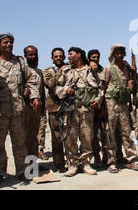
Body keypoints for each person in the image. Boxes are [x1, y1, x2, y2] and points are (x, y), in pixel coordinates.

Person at [0, 33, 40, 186]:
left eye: (11, 42)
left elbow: (32, 78)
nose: (9, 45)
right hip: (0, 112)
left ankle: (22, 171)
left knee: (20, 143)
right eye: (5, 43)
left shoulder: (19, 61)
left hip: (18, 110)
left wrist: (34, 96)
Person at [55, 47, 102, 177]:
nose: (68, 56)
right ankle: (73, 164)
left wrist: (97, 100)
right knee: (70, 137)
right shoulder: (65, 71)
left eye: (71, 54)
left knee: (87, 136)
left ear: (79, 55)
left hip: (87, 109)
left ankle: (86, 163)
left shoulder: (91, 70)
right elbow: (57, 88)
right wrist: (66, 90)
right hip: (70, 109)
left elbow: (100, 88)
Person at [102, 44, 138, 173]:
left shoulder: (126, 68)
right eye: (117, 53)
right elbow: (103, 87)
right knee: (110, 134)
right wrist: (103, 106)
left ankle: (131, 159)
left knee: (126, 132)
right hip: (111, 103)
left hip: (124, 103)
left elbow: (130, 85)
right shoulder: (109, 68)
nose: (119, 56)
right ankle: (111, 161)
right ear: (113, 54)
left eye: (121, 53)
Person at [43, 48, 67, 173]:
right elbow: (50, 84)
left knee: (69, 136)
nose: (58, 58)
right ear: (52, 58)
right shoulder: (48, 71)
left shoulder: (70, 69)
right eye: (56, 56)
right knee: (56, 137)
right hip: (54, 108)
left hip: (68, 106)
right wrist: (59, 72)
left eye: (60, 56)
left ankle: (73, 162)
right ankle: (59, 164)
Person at [23, 45, 46, 159]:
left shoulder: (39, 72)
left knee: (35, 136)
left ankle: (32, 166)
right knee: (25, 137)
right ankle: (26, 165)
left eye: (35, 54)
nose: (33, 56)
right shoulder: (23, 71)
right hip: (25, 109)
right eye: (30, 54)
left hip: (38, 109)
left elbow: (41, 91)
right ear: (25, 56)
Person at [88, 49, 109, 167]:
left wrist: (102, 107)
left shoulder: (103, 70)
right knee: (92, 135)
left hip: (103, 106)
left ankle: (107, 157)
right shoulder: (86, 70)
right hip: (90, 108)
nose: (95, 59)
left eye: (97, 57)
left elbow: (105, 88)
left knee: (106, 134)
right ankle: (96, 157)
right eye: (93, 57)